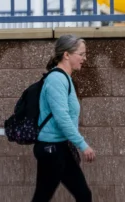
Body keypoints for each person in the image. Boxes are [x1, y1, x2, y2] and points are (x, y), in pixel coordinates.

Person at [31, 35, 95, 202]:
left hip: (59, 146)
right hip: (50, 149)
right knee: (42, 197)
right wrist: (82, 144)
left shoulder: (65, 78)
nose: (84, 58)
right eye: (81, 54)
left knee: (83, 195)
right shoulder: (56, 79)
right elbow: (62, 118)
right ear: (67, 55)